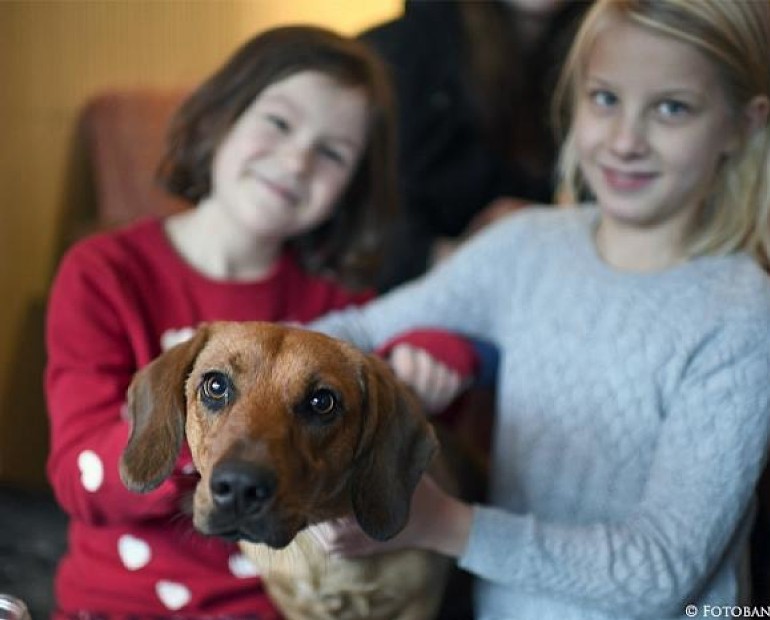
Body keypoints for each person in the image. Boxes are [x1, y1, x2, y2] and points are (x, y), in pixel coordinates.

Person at [309, 0, 770, 617]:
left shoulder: (744, 315)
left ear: (744, 125)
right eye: (605, 99)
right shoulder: (528, 247)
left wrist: (446, 525)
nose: (625, 140)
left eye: (672, 108)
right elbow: (355, 330)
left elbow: (662, 569)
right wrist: (226, 373)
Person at [44, 25, 473, 618]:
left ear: (350, 185)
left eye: (332, 152)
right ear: (221, 117)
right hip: (122, 601)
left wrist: (439, 350)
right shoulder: (105, 273)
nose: (296, 160)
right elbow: (76, 473)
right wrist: (188, 437)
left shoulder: (338, 296)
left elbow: (392, 407)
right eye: (278, 122)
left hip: (273, 606)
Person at [361, 0, 591, 289]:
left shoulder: (600, 53)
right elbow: (349, 215)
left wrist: (543, 225)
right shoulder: (401, 48)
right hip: (396, 296)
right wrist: (454, 255)